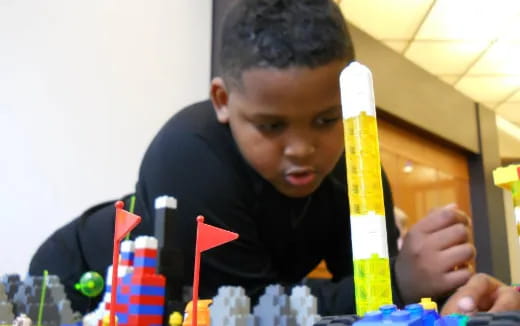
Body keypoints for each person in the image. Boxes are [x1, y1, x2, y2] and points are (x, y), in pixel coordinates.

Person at [30, 0, 514, 317]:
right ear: (222, 101)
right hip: (71, 281)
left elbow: (371, 295)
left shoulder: (358, 168)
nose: (302, 150)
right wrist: (399, 281)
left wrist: (445, 294)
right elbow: (237, 310)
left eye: (327, 120)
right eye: (271, 126)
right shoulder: (187, 156)